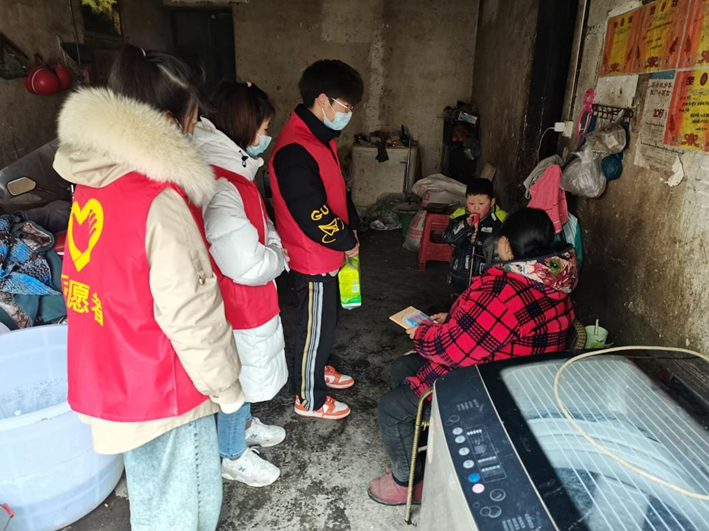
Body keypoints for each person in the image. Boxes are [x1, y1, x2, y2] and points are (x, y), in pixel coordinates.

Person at [54, 45, 243, 530]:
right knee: (185, 510)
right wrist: (227, 388)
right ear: (164, 122)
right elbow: (191, 312)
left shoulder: (92, 180)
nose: (195, 132)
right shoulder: (158, 198)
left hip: (113, 372)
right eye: (193, 121)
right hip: (164, 385)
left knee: (154, 501)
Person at [368, 208, 578, 506]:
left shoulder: (507, 292)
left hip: (493, 389)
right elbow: (489, 328)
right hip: (522, 375)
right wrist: (452, 318)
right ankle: (422, 455)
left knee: (391, 408)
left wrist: (423, 333)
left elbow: (454, 349)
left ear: (505, 244)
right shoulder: (551, 278)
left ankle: (406, 484)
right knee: (403, 366)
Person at [193, 81, 287, 487]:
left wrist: (272, 244)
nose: (266, 137)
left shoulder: (236, 175)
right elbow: (247, 263)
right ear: (243, 127)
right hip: (236, 303)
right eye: (263, 129)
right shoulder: (223, 184)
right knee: (235, 381)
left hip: (248, 299)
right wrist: (278, 256)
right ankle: (231, 455)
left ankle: (244, 428)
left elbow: (260, 227)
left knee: (244, 374)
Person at [269, 59, 364, 420]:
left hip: (329, 253)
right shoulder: (295, 149)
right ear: (323, 100)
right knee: (313, 328)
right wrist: (345, 240)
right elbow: (312, 212)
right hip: (313, 256)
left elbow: (337, 189)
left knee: (325, 323)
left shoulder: (320, 139)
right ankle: (309, 398)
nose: (348, 114)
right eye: (346, 106)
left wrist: (352, 228)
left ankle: (319, 368)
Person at [443, 178, 506, 300]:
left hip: (485, 280)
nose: (476, 208)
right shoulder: (459, 216)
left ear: (492, 202)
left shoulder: (501, 221)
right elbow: (448, 238)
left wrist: (478, 241)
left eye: (481, 204)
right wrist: (465, 227)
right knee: (456, 304)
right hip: (459, 276)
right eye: (471, 203)